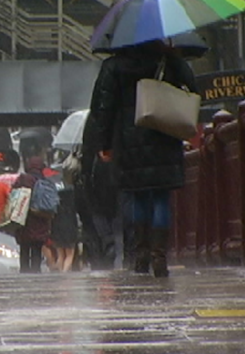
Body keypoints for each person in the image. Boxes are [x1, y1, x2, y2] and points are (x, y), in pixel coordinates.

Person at [82, 40, 197, 278]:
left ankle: (141, 253)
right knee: (161, 198)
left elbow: (102, 108)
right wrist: (173, 56)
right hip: (164, 136)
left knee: (138, 196)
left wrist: (103, 143)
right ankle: (159, 256)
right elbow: (193, 87)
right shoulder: (168, 59)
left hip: (127, 141)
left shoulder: (113, 67)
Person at [12, 156, 53, 273]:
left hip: (24, 221)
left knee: (24, 250)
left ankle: (24, 272)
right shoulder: (45, 181)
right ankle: (36, 273)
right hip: (40, 220)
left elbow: (14, 198)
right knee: (37, 250)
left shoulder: (22, 180)